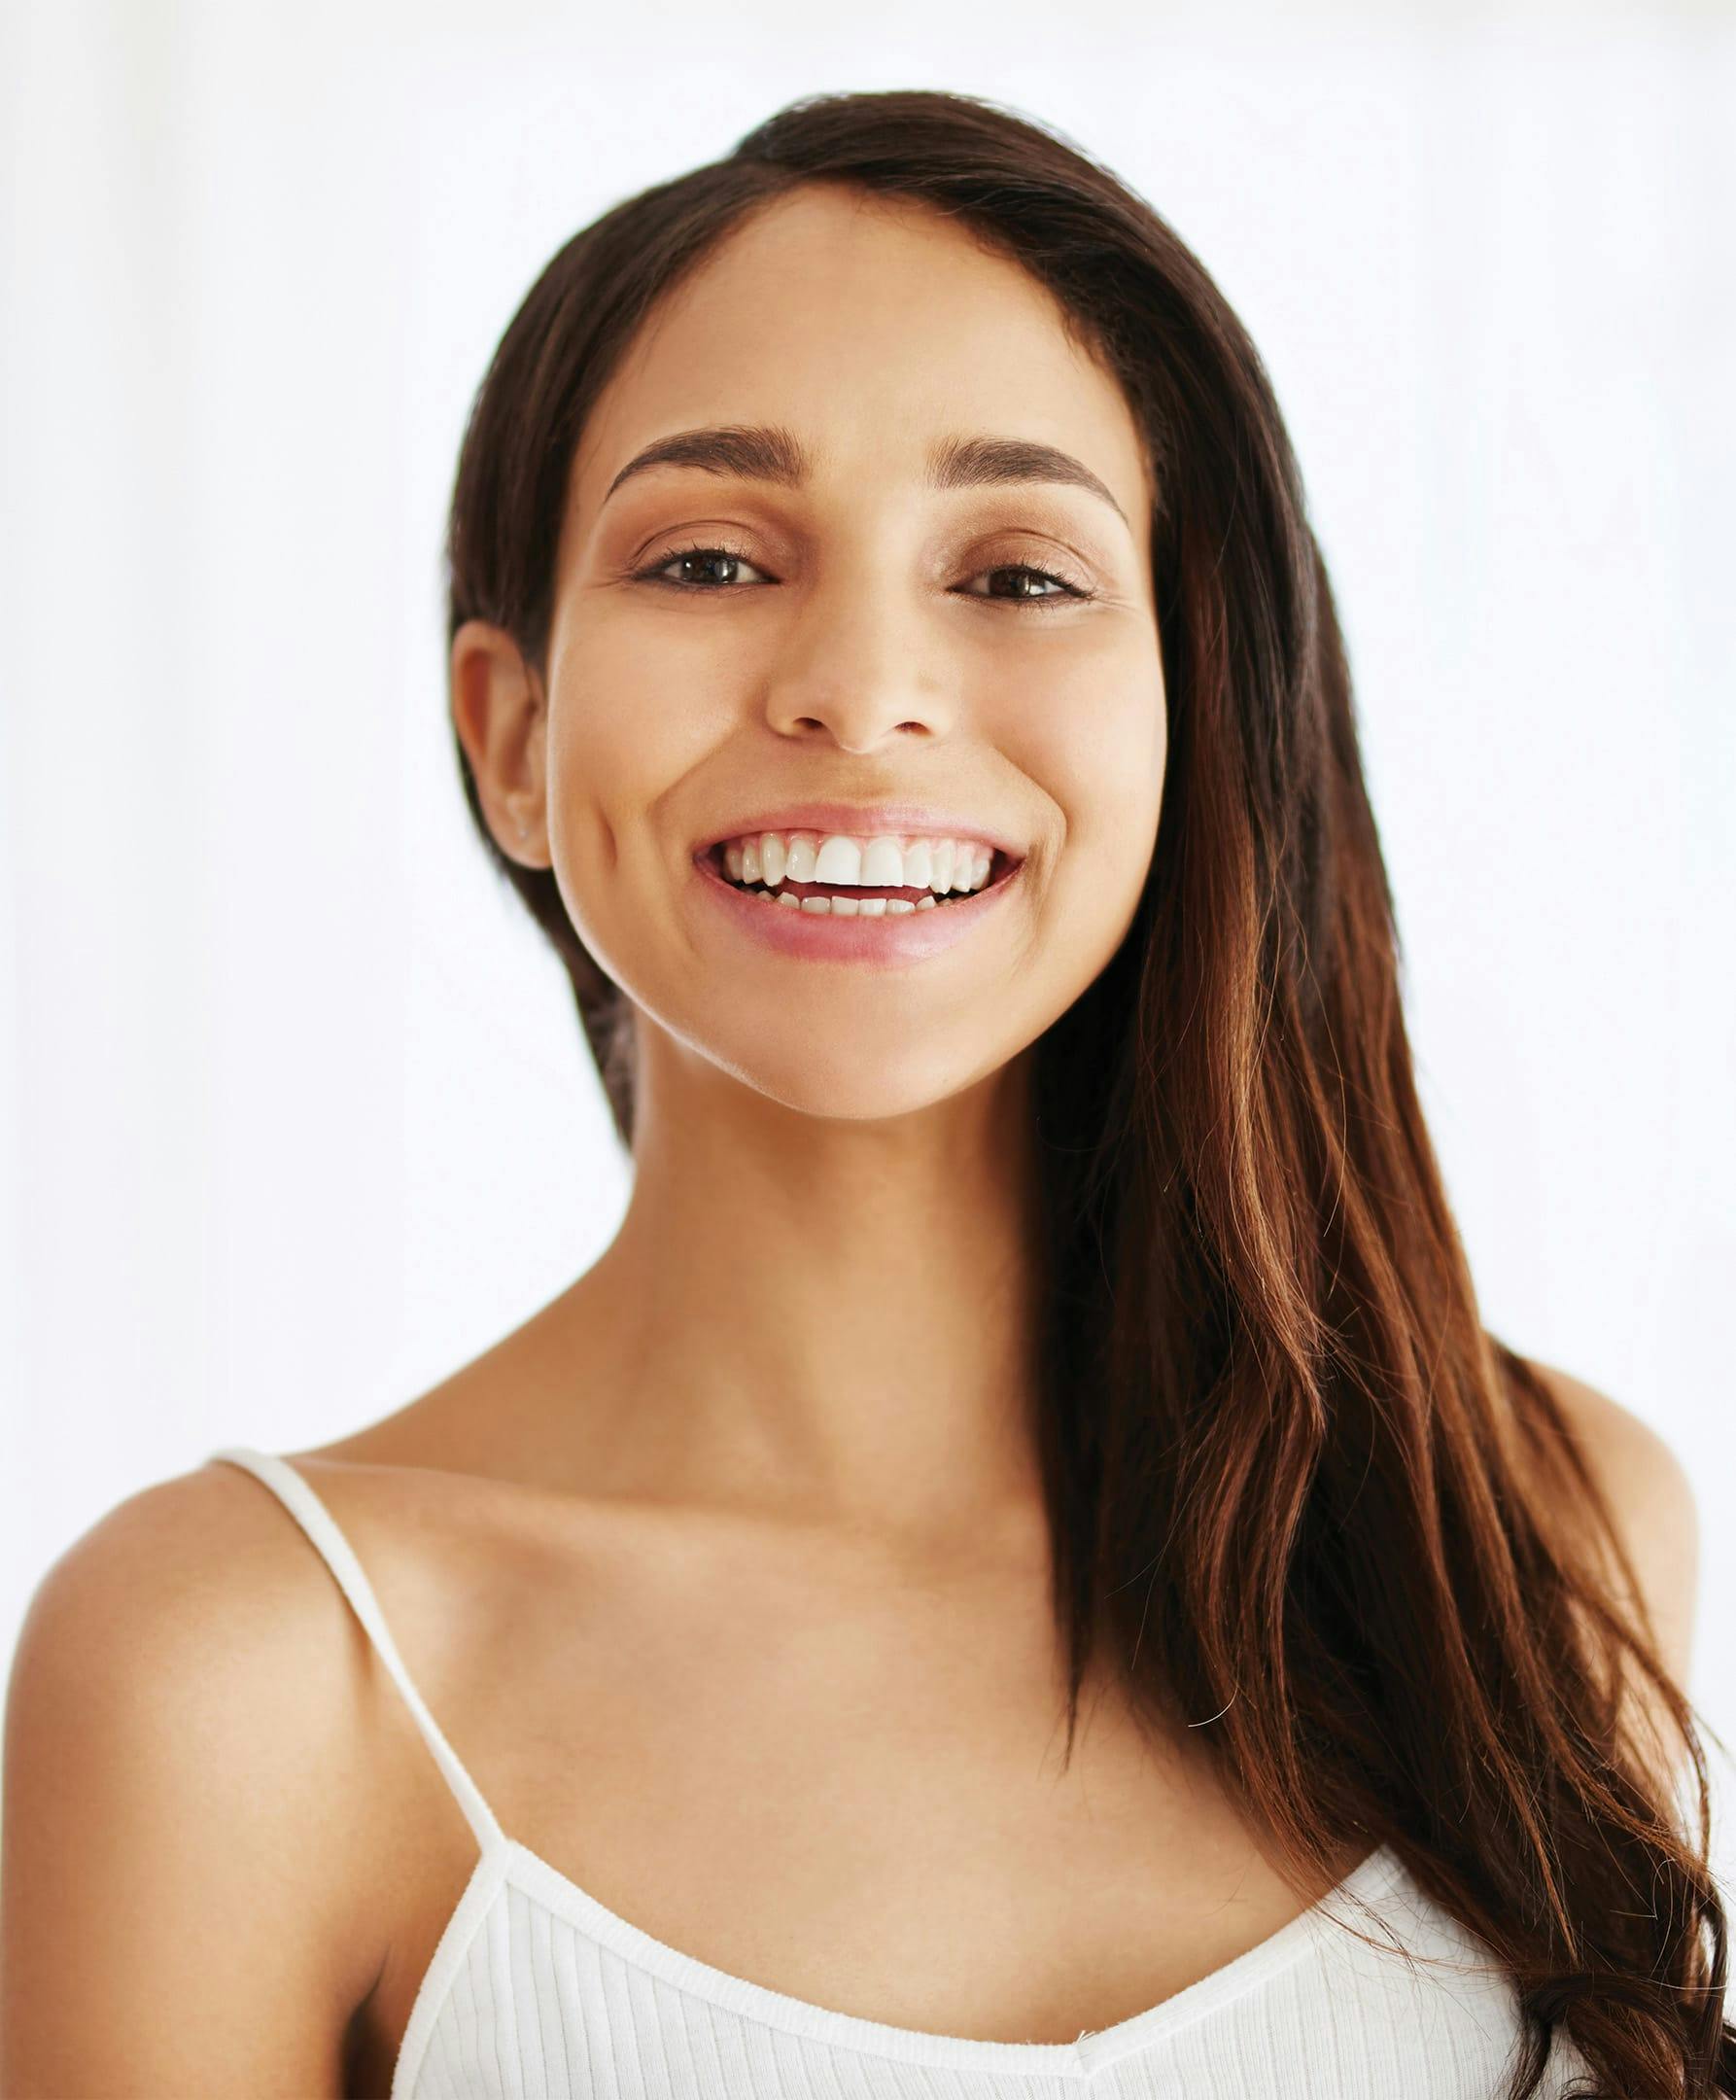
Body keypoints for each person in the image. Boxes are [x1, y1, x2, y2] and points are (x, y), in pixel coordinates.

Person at [2, 88, 1728, 2100]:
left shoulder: (1526, 1523)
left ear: (1192, 702)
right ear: (511, 732)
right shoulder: (241, 1678)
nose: (860, 685)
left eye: (1013, 575)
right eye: (715, 557)